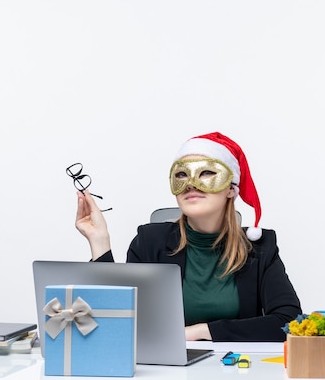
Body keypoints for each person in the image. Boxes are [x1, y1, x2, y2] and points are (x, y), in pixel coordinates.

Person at [74, 132, 302, 342]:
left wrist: (201, 331)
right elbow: (118, 320)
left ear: (231, 188)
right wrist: (99, 242)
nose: (191, 183)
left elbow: (289, 321)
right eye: (181, 174)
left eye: (207, 173)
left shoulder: (260, 247)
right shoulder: (149, 241)